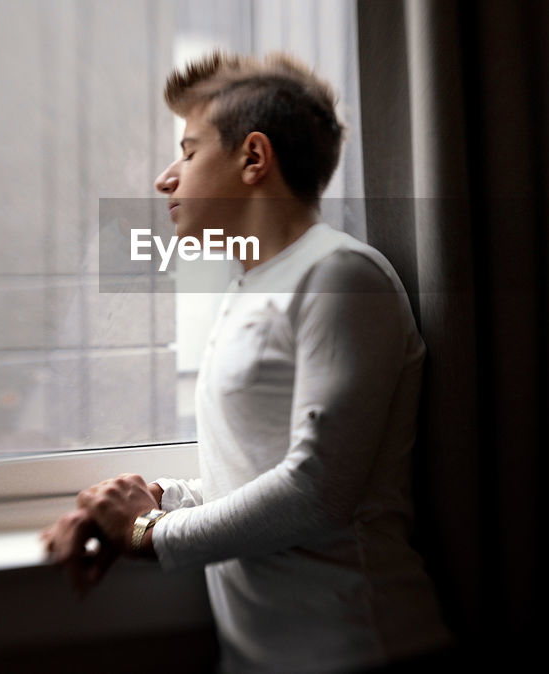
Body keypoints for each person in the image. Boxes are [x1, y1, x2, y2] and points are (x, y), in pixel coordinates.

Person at [41, 52, 452, 672]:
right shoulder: (250, 290)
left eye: (188, 150)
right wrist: (153, 500)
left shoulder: (342, 276)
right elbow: (252, 472)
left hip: (360, 648)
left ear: (254, 158)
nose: (165, 178)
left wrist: (147, 533)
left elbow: (316, 493)